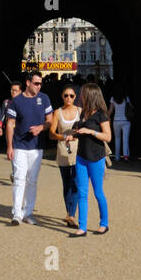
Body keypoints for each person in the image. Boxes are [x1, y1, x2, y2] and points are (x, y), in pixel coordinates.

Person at [5, 70, 52, 225]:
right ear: (28, 82)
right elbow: (10, 123)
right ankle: (17, 213)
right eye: (36, 83)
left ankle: (28, 212)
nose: (39, 86)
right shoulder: (16, 101)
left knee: (32, 180)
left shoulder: (44, 98)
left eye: (40, 83)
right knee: (19, 178)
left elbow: (50, 121)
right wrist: (9, 146)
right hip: (20, 145)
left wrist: (41, 128)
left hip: (37, 147)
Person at [66, 81, 111, 236]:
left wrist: (91, 132)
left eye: (82, 94)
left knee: (98, 192)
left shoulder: (101, 114)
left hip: (96, 157)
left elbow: (108, 136)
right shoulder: (83, 113)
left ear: (90, 96)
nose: (80, 96)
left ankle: (104, 223)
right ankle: (82, 227)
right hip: (81, 156)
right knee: (82, 193)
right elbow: (80, 131)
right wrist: (73, 135)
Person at [49, 85, 82, 227]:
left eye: (71, 96)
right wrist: (63, 136)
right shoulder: (57, 112)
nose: (68, 98)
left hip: (78, 151)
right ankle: (69, 212)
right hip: (63, 150)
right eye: (66, 95)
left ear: (75, 97)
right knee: (66, 182)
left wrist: (75, 135)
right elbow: (51, 133)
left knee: (76, 182)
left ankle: (71, 215)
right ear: (62, 97)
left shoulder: (81, 111)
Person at [108, 87, 133, 162]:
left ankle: (117, 157)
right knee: (125, 139)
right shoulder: (126, 98)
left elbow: (110, 111)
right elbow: (131, 107)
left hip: (116, 121)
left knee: (117, 139)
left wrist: (105, 112)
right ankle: (125, 156)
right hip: (126, 121)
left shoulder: (113, 98)